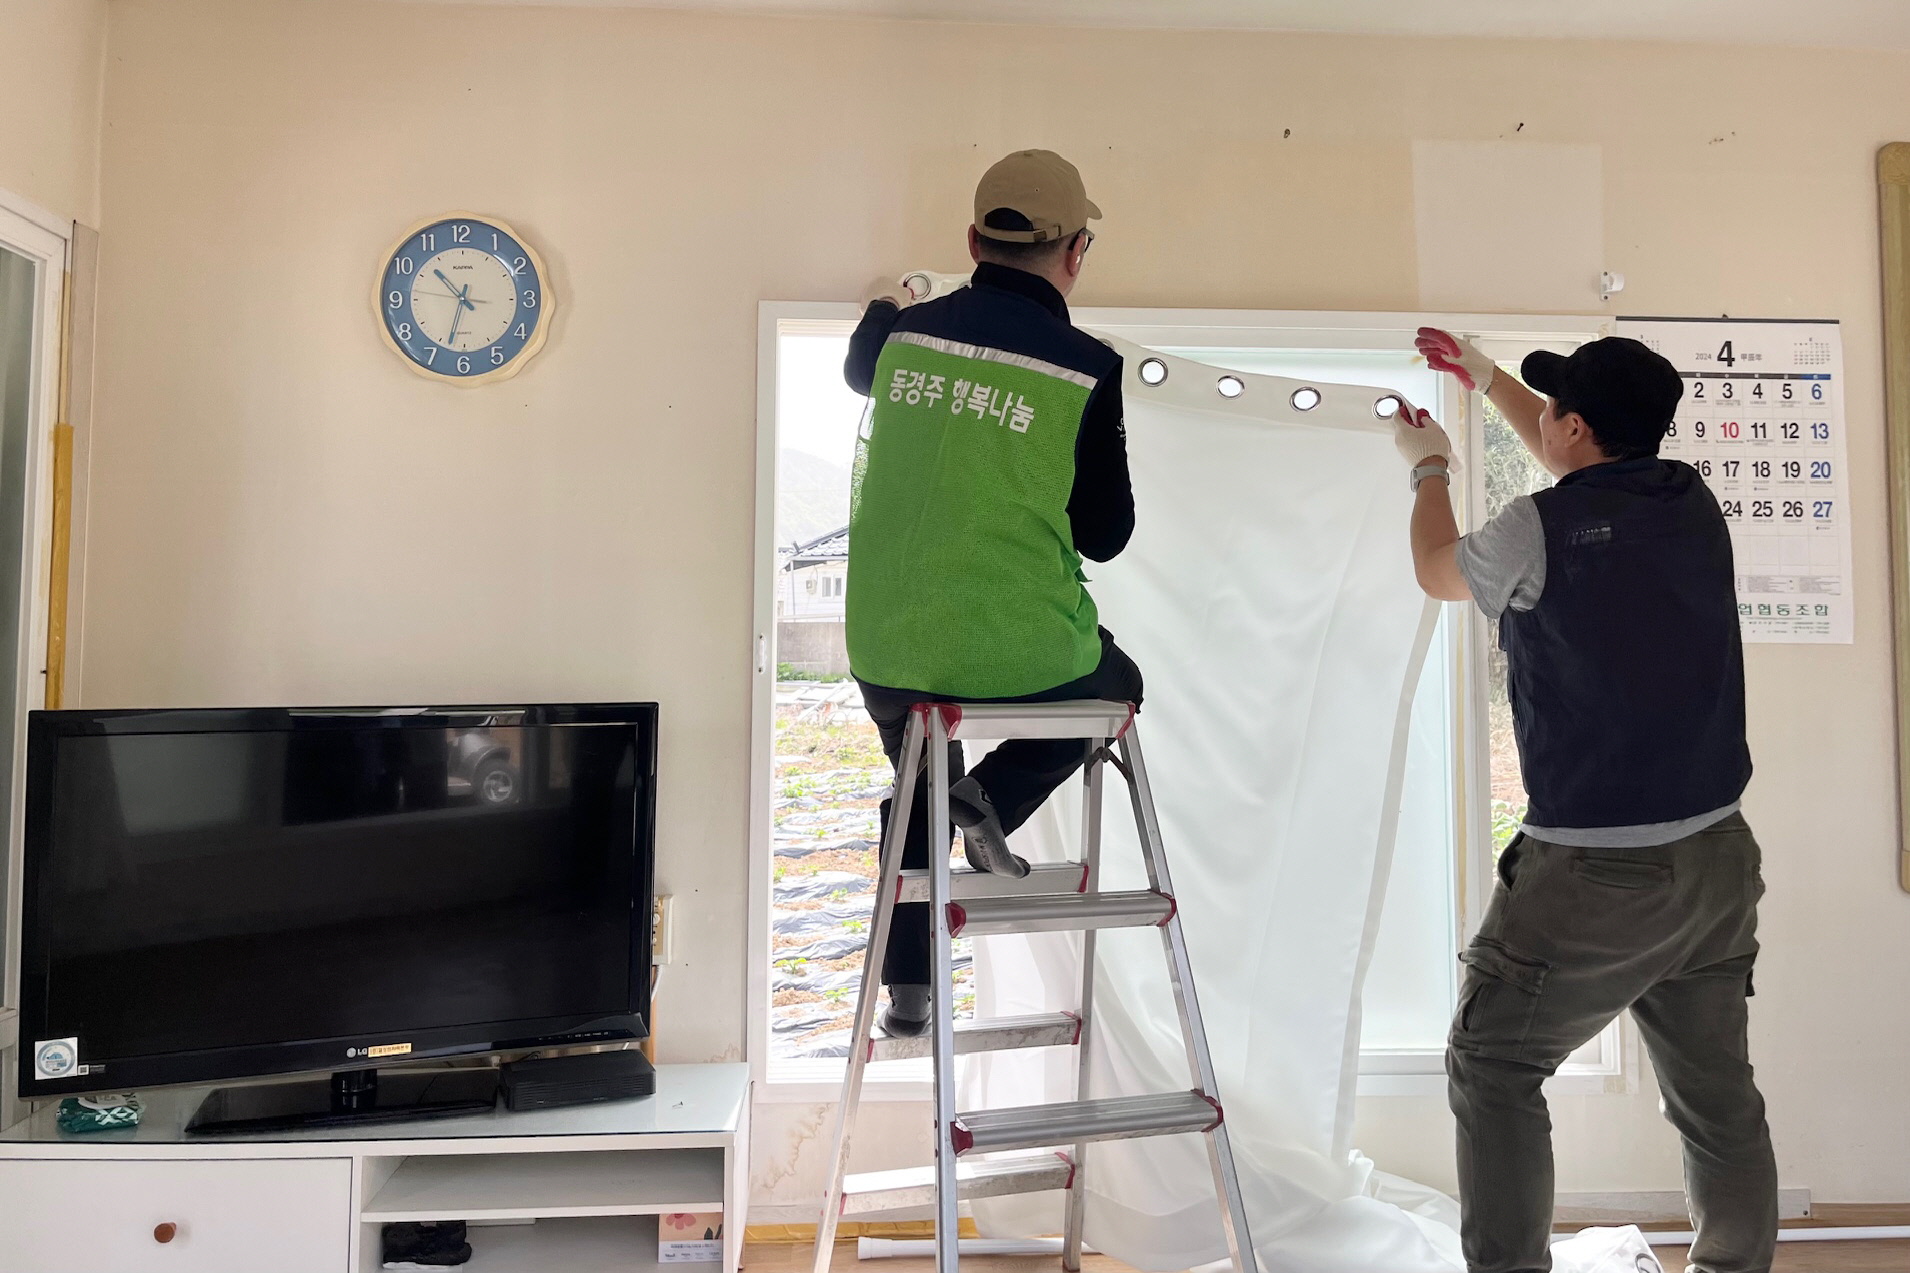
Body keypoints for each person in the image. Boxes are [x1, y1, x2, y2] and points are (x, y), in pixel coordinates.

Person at [1399, 329, 1776, 1273]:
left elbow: (1438, 570)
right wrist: (1483, 377)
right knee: (1719, 1099)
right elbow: (1578, 458)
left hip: (1595, 875)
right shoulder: (1690, 498)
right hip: (1718, 860)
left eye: (1557, 410)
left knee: (1493, 1065)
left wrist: (1430, 469)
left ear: (1573, 426)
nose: (1550, 424)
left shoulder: (1535, 525)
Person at [841, 149, 1142, 1038]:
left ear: (975, 239)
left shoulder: (900, 340)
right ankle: (995, 805)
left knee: (922, 782)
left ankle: (910, 990)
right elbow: (1105, 535)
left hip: (886, 649)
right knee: (1118, 684)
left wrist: (885, 304)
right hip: (1015, 650)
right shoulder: (1086, 365)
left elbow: (862, 365)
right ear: (1076, 252)